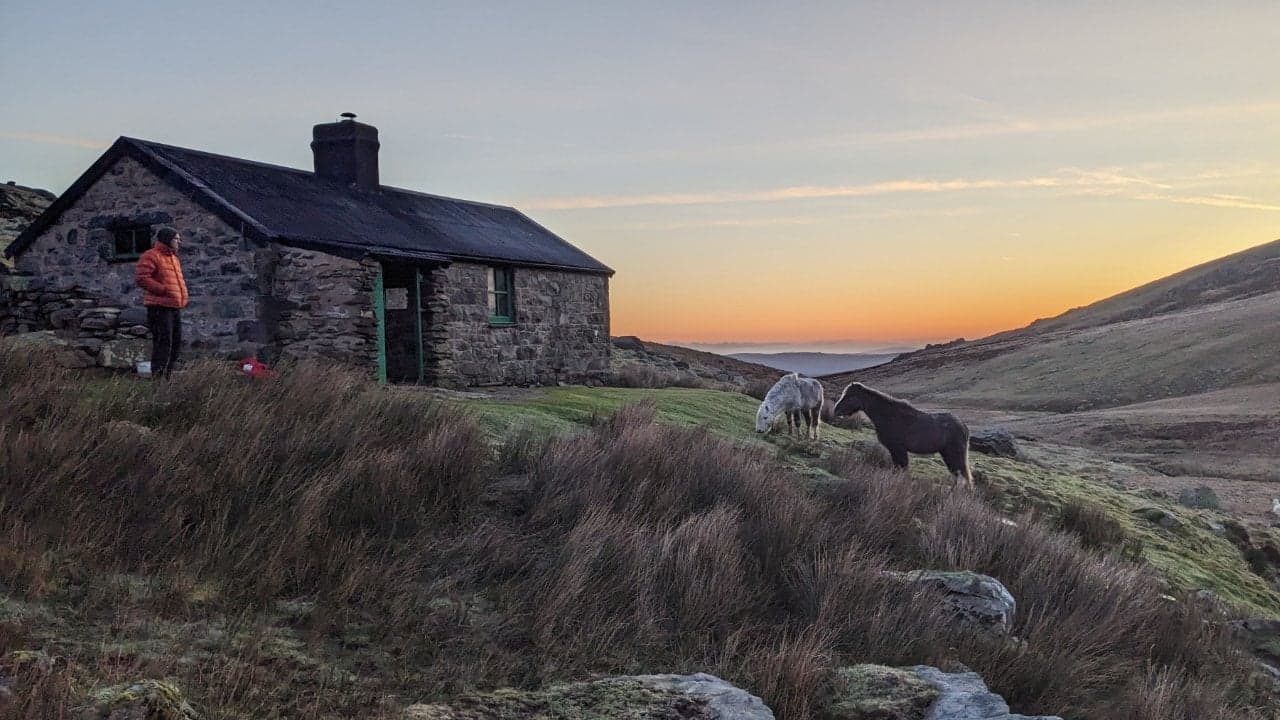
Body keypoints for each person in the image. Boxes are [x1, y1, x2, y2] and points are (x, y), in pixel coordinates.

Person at [134, 227, 189, 378]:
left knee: (175, 343)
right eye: (176, 239)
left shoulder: (173, 258)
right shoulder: (151, 256)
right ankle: (159, 378)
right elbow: (142, 278)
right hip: (159, 307)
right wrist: (162, 289)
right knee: (163, 343)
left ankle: (167, 377)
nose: (179, 242)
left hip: (173, 306)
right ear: (167, 239)